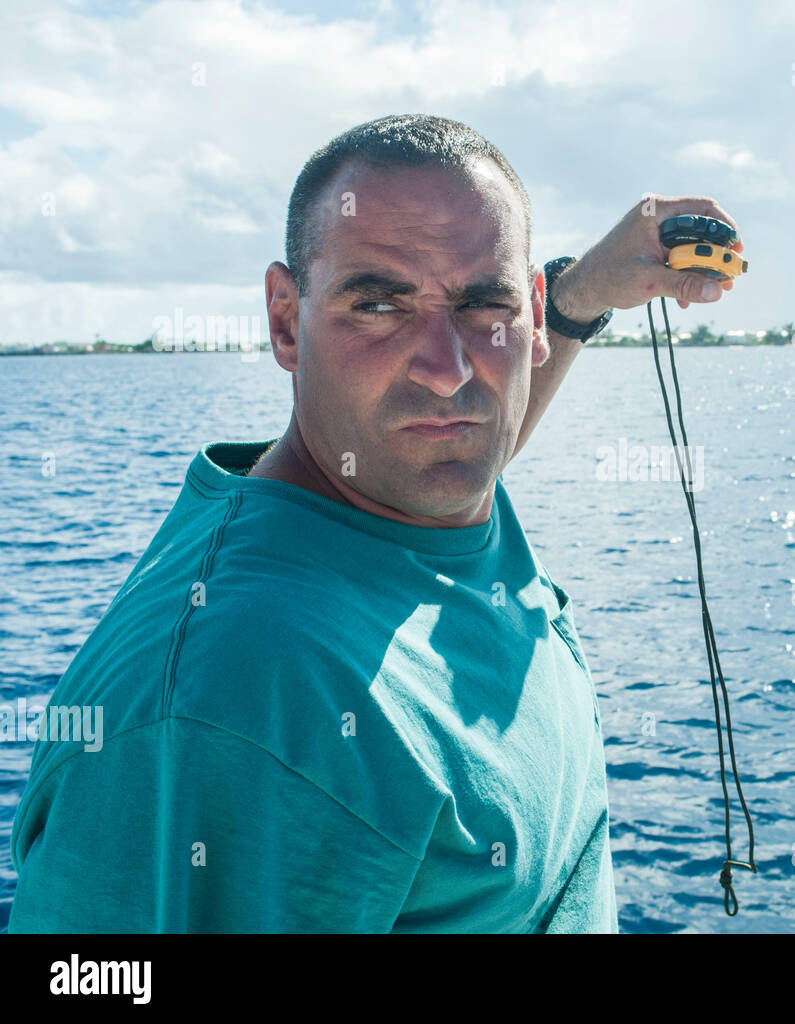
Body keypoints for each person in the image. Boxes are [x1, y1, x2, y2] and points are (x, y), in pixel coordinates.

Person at [7, 113, 741, 933]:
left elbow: (466, 453)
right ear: (286, 320)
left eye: (483, 304)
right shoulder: (243, 706)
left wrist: (578, 300)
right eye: (379, 305)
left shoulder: (396, 490)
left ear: (527, 316)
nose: (447, 370)